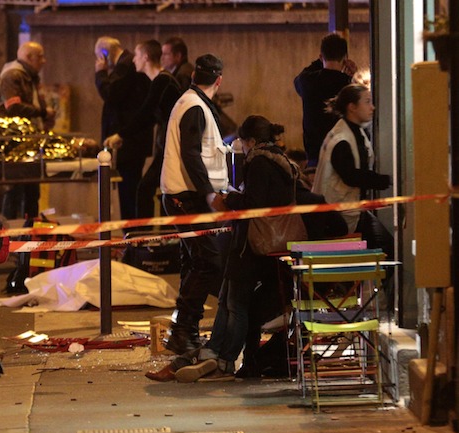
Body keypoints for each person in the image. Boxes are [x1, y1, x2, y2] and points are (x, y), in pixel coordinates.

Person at [147, 115, 298, 382]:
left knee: (235, 302)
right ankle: (217, 354)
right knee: (230, 299)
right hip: (261, 243)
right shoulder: (280, 161)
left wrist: (229, 199)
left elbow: (254, 202)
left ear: (250, 141)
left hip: (252, 243)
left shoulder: (260, 162)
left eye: (243, 142)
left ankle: (225, 358)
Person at [159, 54, 229, 355]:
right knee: (208, 262)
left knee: (194, 263)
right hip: (187, 197)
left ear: (192, 77)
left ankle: (184, 331)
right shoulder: (195, 107)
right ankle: (183, 331)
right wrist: (209, 194)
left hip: (184, 196)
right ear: (219, 80)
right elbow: (191, 154)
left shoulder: (191, 101)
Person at [103, 39, 181, 222]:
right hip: (170, 147)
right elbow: (150, 118)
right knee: (151, 190)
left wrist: (120, 134)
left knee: (144, 189)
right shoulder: (160, 81)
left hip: (172, 148)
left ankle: (142, 239)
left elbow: (145, 114)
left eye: (137, 56)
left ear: (145, 57)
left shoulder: (162, 81)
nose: (133, 60)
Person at [311, 83, 392, 253]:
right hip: (339, 213)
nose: (372, 107)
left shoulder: (353, 130)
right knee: (385, 248)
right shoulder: (342, 138)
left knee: (383, 247)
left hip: (349, 209)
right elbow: (350, 175)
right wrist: (385, 180)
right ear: (352, 107)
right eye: (367, 102)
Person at [94, 36, 153, 222]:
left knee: (129, 193)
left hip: (128, 143)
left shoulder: (125, 66)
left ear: (105, 54)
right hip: (130, 141)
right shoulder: (126, 65)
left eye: (99, 57)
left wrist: (100, 74)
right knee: (129, 191)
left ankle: (133, 238)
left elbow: (110, 94)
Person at [0, 41, 56, 219]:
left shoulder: (29, 76)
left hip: (29, 141)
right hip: (14, 142)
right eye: (41, 56)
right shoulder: (13, 75)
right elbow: (13, 107)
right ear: (29, 57)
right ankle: (13, 234)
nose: (44, 61)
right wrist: (43, 112)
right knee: (15, 190)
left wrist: (45, 119)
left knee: (31, 191)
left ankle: (30, 230)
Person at [294, 33, 357, 166]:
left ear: (321, 56)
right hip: (342, 154)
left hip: (315, 156)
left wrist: (319, 61)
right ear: (345, 58)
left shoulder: (307, 81)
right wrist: (354, 75)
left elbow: (298, 78)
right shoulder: (347, 86)